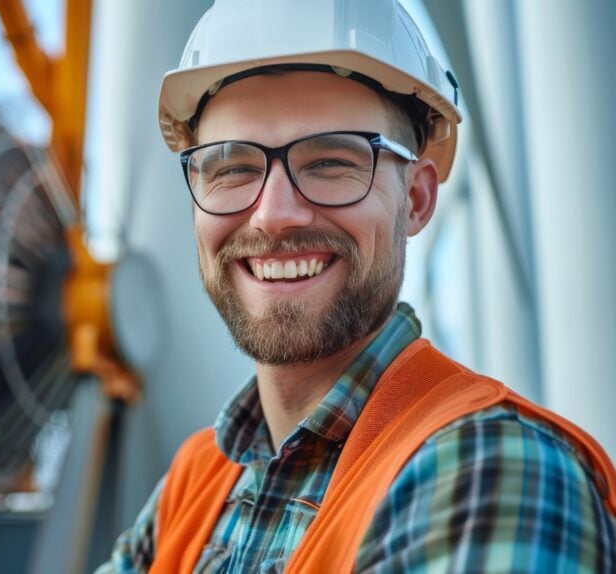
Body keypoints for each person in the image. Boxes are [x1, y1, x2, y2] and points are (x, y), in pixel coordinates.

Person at [98, 0, 616, 572]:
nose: (272, 216)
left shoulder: (495, 469)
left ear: (416, 200)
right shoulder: (192, 486)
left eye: (330, 162)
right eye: (232, 168)